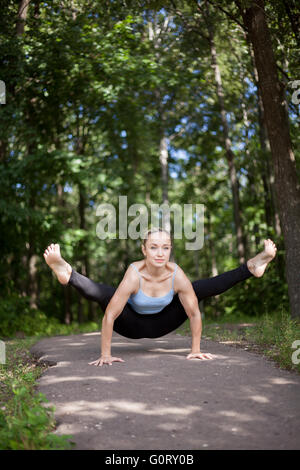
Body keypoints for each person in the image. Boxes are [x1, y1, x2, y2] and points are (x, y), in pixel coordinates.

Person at [43, 228, 277, 367]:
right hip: (130, 325)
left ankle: (251, 267)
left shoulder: (176, 273)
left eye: (165, 248)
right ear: (144, 250)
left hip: (165, 323)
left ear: (170, 250)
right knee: (108, 294)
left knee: (198, 289)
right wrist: (106, 354)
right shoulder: (134, 273)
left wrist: (195, 349)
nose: (160, 253)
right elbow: (110, 315)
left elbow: (194, 312)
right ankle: (68, 274)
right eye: (154, 247)